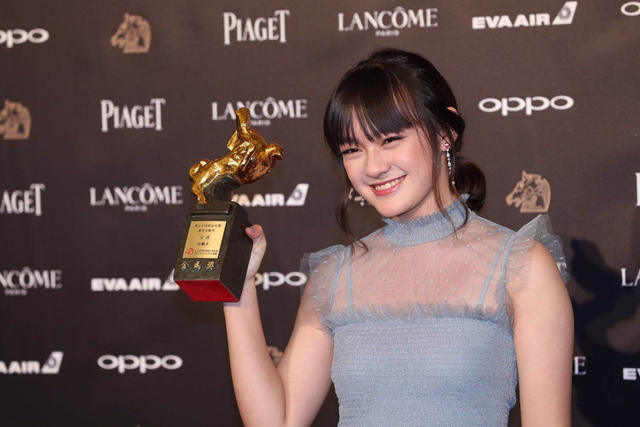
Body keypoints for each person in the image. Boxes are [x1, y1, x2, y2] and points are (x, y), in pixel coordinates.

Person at [223, 48, 574, 427]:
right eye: (352, 149)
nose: (373, 167)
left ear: (445, 133)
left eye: (390, 139)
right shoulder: (334, 276)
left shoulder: (519, 266)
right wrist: (237, 286)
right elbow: (276, 422)